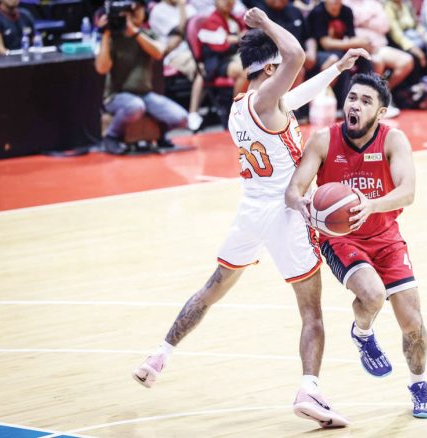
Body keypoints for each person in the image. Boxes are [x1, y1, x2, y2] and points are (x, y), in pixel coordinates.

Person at [132, 7, 370, 428]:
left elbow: (297, 94)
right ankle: (310, 389)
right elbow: (295, 55)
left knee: (212, 287)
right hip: (286, 212)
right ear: (272, 67)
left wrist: (338, 68)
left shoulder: (244, 106)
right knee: (311, 311)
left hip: (250, 211)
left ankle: (158, 356)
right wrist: (265, 25)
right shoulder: (266, 97)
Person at [285, 74, 427, 419]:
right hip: (342, 239)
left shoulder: (393, 140)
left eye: (365, 101)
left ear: (380, 112)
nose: (355, 105)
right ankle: (363, 331)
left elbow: (408, 192)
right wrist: (301, 203)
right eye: (352, 98)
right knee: (371, 295)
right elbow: (294, 189)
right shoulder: (324, 140)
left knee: (412, 321)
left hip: (385, 237)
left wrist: (371, 204)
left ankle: (419, 384)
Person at [95, 0, 189, 154]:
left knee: (182, 118)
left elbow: (158, 53)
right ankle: (111, 137)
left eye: (139, 9)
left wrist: (135, 33)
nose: (137, 13)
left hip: (144, 95)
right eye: (132, 11)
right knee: (135, 106)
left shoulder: (146, 34)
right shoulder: (113, 37)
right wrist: (105, 34)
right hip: (116, 96)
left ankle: (159, 135)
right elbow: (101, 68)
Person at [148, 0, 205, 132]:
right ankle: (193, 114)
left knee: (213, 64)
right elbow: (181, 31)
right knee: (202, 69)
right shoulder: (158, 11)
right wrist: (181, 7)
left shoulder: (190, 7)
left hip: (197, 50)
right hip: (174, 54)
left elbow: (200, 29)